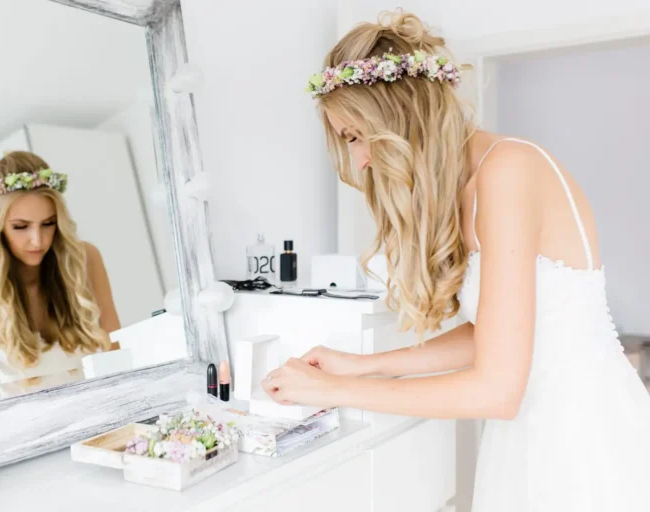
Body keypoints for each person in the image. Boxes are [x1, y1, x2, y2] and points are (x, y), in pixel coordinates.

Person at [262, 10, 650, 510]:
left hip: (582, 438)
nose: (358, 161)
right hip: (528, 435)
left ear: (398, 117)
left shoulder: (508, 171)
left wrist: (334, 390)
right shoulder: (470, 183)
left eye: (355, 136)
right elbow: (493, 333)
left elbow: (496, 391)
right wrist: (365, 367)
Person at [0, 151, 120, 400]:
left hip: (98, 415)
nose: (38, 240)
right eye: (21, 227)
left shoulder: (85, 259)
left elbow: (116, 355)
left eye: (48, 223)